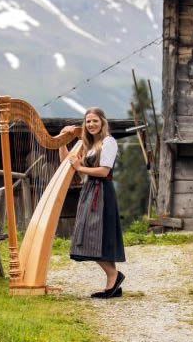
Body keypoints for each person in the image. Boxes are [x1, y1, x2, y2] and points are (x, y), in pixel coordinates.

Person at [59, 107, 126, 299]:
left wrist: (81, 167)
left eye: (95, 121)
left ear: (103, 122)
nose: (91, 124)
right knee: (94, 236)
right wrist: (61, 142)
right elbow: (67, 163)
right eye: (88, 121)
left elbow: (104, 171)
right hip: (90, 192)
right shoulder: (88, 145)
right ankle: (112, 284)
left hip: (102, 192)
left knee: (95, 236)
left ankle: (113, 276)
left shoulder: (108, 142)